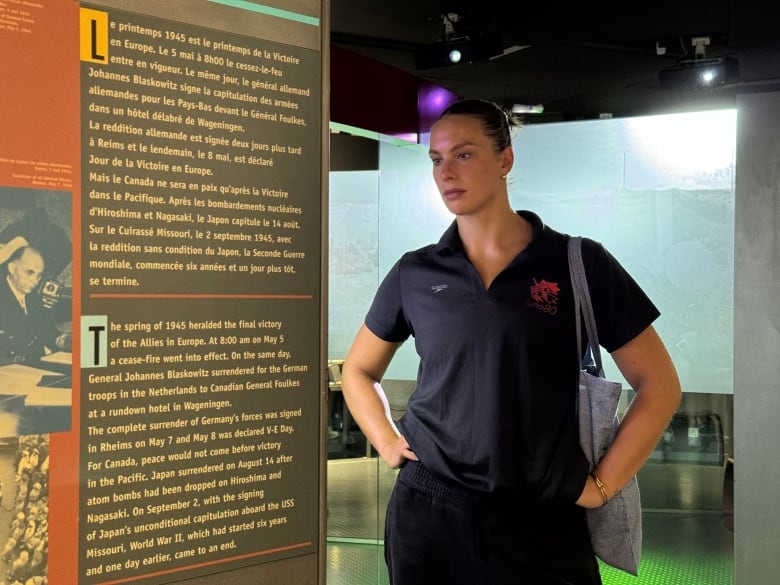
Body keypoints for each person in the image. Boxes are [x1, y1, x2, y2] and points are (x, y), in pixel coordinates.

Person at [340, 99, 682, 584]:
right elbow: (357, 370)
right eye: (436, 159)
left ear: (505, 160)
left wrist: (601, 487)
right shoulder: (417, 271)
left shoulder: (576, 263)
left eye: (464, 154)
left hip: (542, 514)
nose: (446, 173)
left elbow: (660, 384)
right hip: (430, 513)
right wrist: (388, 442)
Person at [0, 243, 70, 366]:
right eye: (29, 272)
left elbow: (44, 331)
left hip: (35, 368)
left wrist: (65, 340)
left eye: (39, 275)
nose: (35, 281)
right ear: (12, 268)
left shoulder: (34, 298)